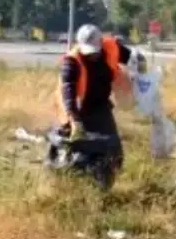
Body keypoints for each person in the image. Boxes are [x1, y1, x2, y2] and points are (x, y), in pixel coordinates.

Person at [56, 24, 141, 188]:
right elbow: (68, 93)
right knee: (77, 147)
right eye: (88, 52)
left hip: (101, 106)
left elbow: (132, 57)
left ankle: (103, 186)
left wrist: (140, 67)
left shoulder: (111, 47)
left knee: (112, 148)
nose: (92, 55)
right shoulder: (71, 62)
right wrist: (74, 120)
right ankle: (73, 183)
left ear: (101, 43)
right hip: (75, 109)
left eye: (95, 51)